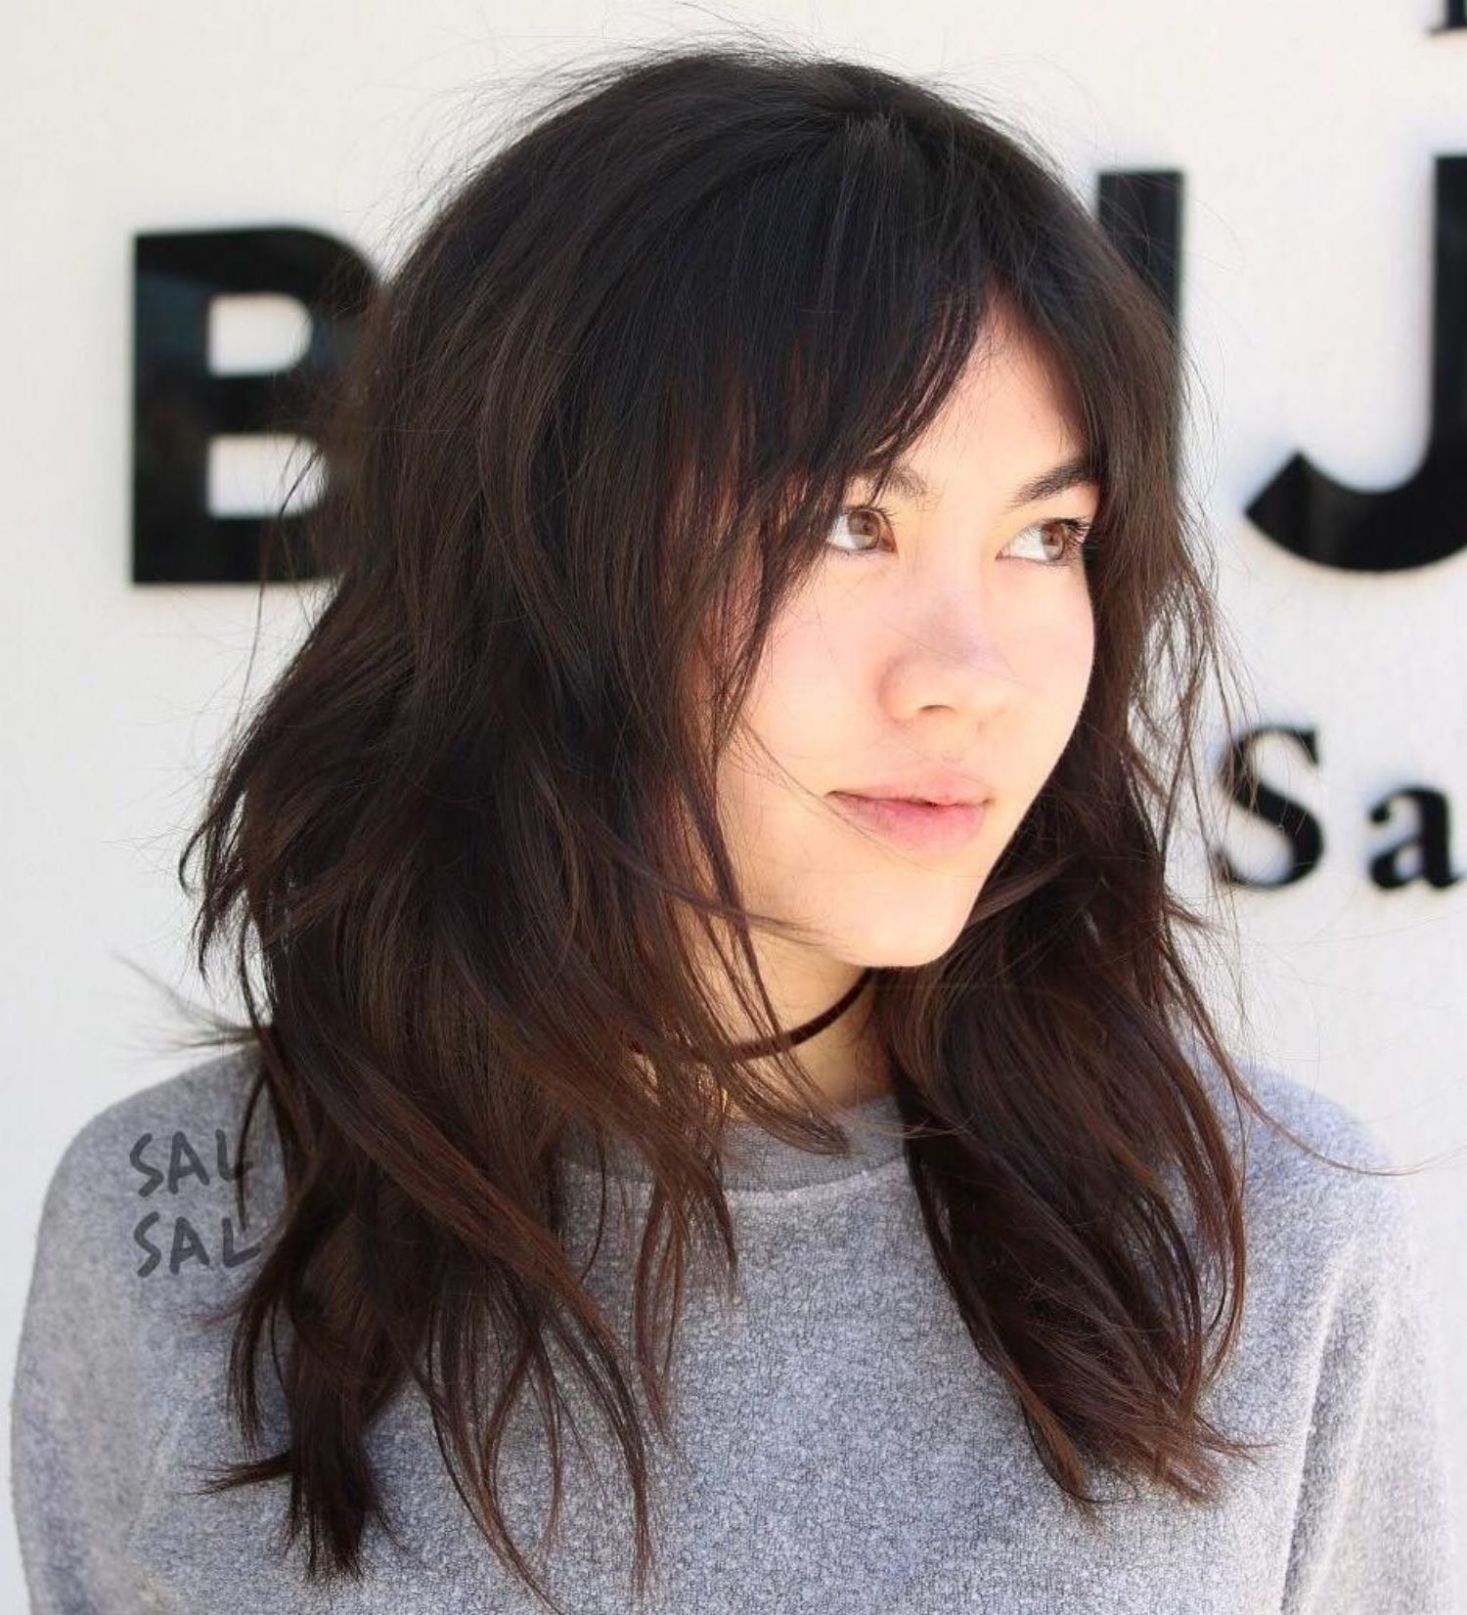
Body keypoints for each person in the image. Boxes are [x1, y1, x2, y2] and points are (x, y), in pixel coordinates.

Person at [10, 38, 1459, 1615]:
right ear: (538, 548)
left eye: (1048, 536)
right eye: (850, 522)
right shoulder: (174, 1219)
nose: (973, 676)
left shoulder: (1265, 1244)